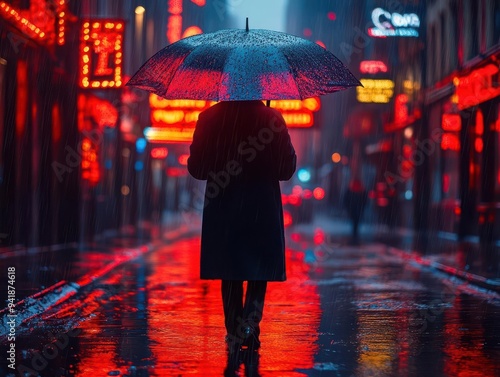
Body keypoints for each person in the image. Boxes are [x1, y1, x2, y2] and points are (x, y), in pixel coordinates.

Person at [187, 100, 296, 353]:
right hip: (262, 207)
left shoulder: (209, 118)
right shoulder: (272, 118)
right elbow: (287, 169)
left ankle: (234, 328)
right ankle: (249, 324)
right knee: (259, 271)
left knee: (230, 269)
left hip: (224, 205)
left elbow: (197, 168)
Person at [343, 178, 368, 244]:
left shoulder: (353, 191)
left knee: (355, 221)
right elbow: (365, 200)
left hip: (355, 209)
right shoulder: (358, 192)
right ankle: (355, 233)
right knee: (355, 221)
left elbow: (346, 199)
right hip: (356, 209)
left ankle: (355, 233)